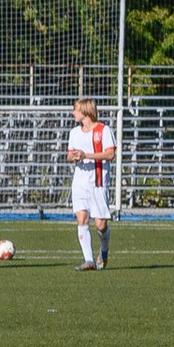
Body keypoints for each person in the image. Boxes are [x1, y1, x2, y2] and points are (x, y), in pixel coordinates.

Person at [68, 99, 114, 268]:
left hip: (98, 182)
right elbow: (69, 156)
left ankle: (104, 249)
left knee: (100, 225)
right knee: (82, 218)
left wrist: (86, 155)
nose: (73, 113)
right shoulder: (74, 132)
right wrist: (73, 157)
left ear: (85, 111)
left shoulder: (104, 130)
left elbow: (110, 155)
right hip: (80, 183)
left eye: (76, 109)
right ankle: (89, 260)